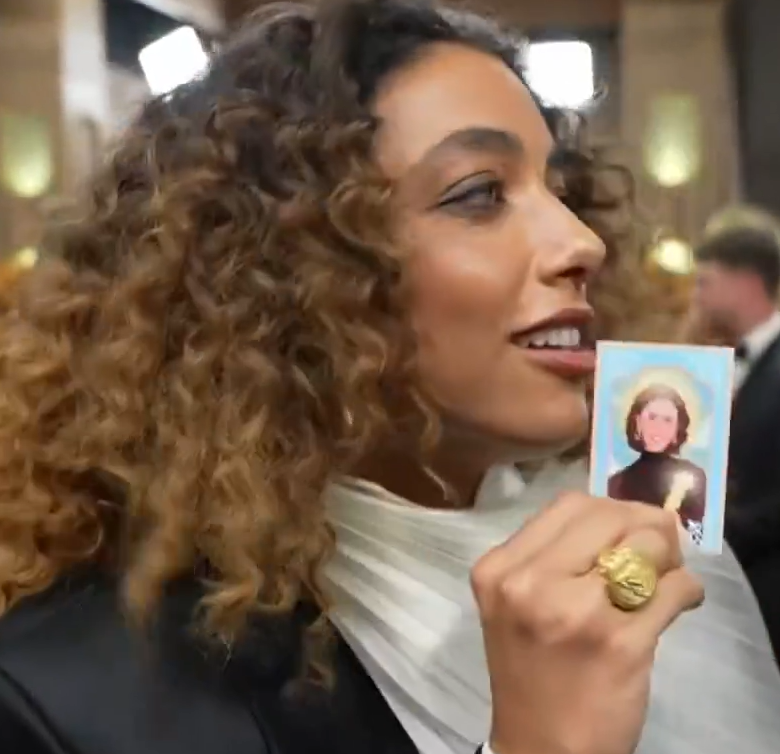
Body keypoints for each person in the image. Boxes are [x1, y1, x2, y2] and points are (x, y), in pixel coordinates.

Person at [0, 3, 778, 754]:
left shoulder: (643, 550)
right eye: (478, 193)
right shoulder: (70, 704)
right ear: (285, 276)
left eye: (564, 191)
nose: (582, 242)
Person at [693, 224, 780, 657]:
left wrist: (711, 530)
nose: (697, 296)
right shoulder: (743, 358)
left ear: (744, 281)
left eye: (705, 282)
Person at [607, 384, 706, 541]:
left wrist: (681, 531)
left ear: (677, 429)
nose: (657, 427)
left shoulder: (693, 479)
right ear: (638, 422)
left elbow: (700, 536)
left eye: (667, 420)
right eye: (652, 417)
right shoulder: (615, 483)